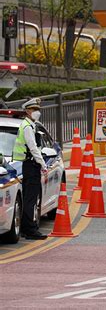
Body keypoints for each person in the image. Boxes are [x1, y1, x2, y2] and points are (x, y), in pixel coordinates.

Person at [12, 98, 48, 240]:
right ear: (27, 111)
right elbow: (33, 148)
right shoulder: (27, 126)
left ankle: (28, 229)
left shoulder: (30, 125)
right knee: (30, 199)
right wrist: (43, 165)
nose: (36, 112)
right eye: (34, 110)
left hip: (30, 165)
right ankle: (30, 229)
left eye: (38, 110)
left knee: (30, 198)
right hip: (31, 166)